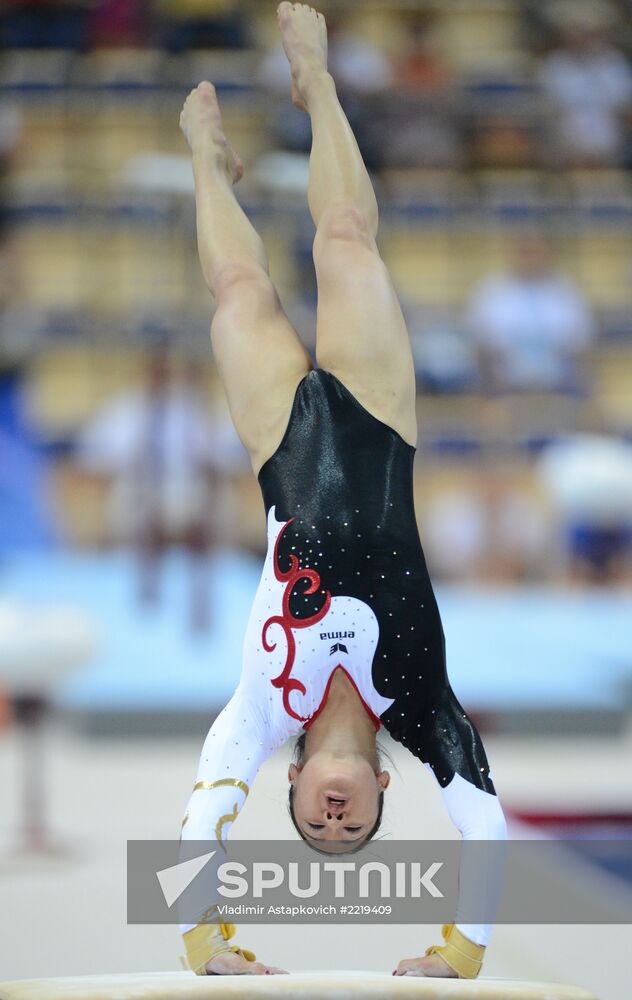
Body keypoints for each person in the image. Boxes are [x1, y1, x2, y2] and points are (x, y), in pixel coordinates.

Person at [177, 1, 507, 979]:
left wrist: (205, 943)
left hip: (281, 446)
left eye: (313, 829)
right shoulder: (417, 703)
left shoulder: (258, 708)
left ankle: (205, 160)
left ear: (286, 783)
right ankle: (315, 81)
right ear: (376, 791)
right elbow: (485, 824)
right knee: (345, 238)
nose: (331, 823)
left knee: (240, 296)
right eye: (350, 828)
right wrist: (463, 948)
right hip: (376, 419)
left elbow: (201, 811)